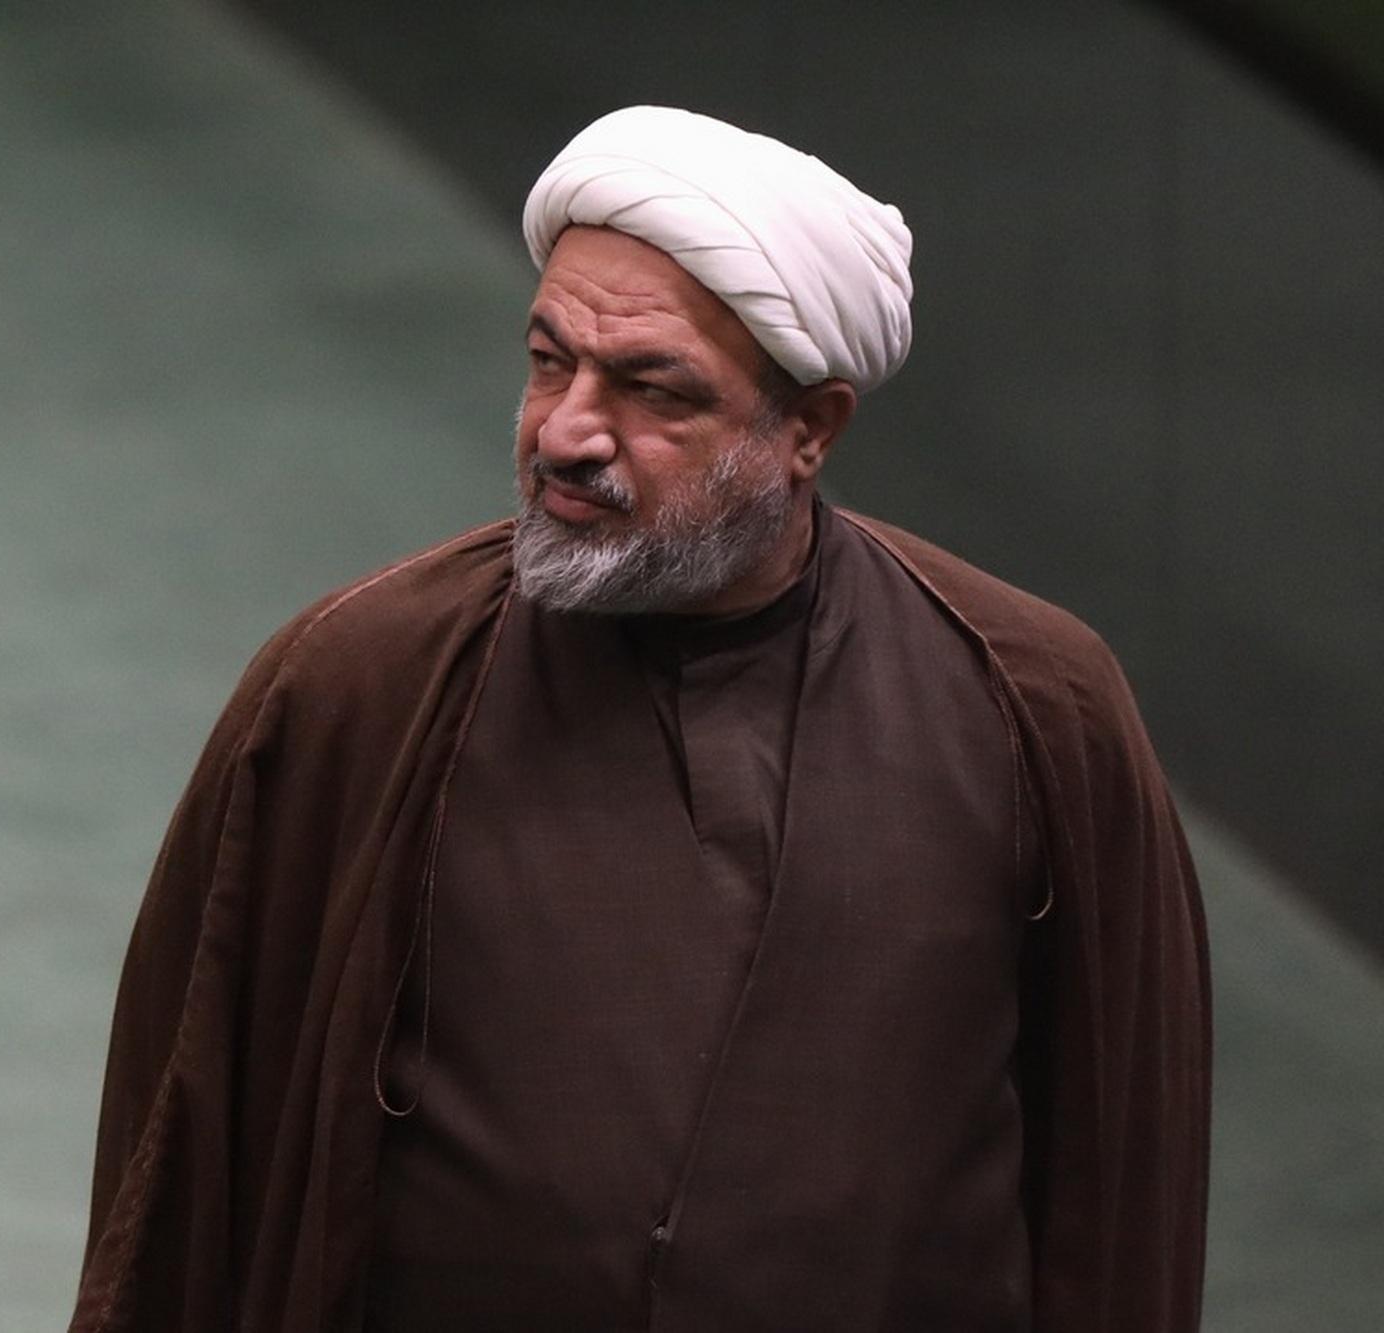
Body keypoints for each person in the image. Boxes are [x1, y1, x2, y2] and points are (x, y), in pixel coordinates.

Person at [70, 106, 1210, 1333]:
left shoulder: (1028, 706)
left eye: (649, 387)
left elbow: (1116, 1169)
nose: (565, 431)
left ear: (808, 430)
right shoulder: (362, 681)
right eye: (547, 360)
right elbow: (183, 1148)